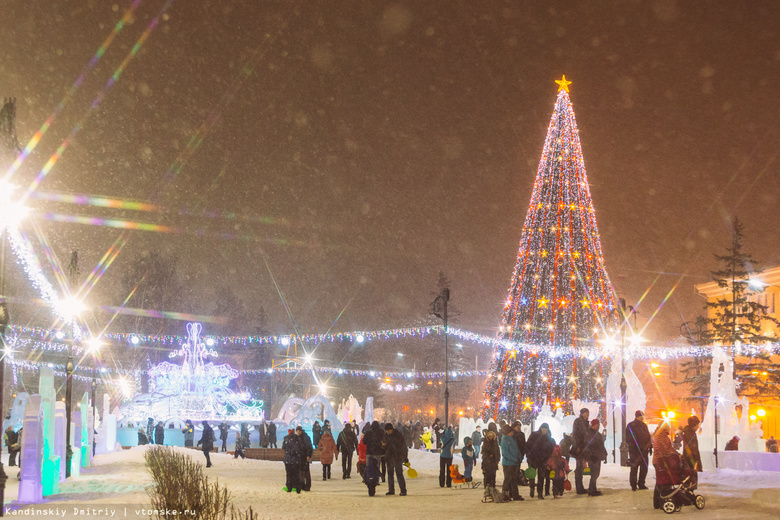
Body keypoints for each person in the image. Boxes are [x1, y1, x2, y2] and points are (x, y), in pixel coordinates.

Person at [652, 422, 679, 509]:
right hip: (661, 462)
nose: (670, 429)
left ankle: (657, 502)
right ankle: (661, 501)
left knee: (660, 482)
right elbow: (667, 449)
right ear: (665, 428)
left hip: (658, 461)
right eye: (669, 428)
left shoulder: (659, 435)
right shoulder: (662, 436)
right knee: (663, 482)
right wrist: (677, 454)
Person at [526, 422, 555, 499]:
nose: (544, 431)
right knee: (532, 475)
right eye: (543, 429)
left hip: (542, 460)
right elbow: (528, 446)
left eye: (546, 429)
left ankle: (540, 492)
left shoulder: (548, 438)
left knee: (541, 477)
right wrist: (529, 456)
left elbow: (550, 449)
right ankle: (532, 488)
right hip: (534, 458)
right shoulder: (534, 435)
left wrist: (547, 457)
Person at [625, 410, 652, 491]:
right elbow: (647, 438)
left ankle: (635, 484)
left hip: (637, 450)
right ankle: (640, 483)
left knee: (636, 467)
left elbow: (629, 439)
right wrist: (648, 447)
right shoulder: (641, 426)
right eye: (642, 416)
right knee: (641, 467)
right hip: (640, 450)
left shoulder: (632, 425)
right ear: (639, 416)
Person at [582, 418, 607, 496]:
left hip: (596, 455)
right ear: (594, 425)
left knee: (595, 473)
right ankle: (592, 490)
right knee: (594, 473)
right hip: (593, 456)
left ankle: (592, 488)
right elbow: (592, 445)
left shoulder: (595, 433)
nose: (598, 426)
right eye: (597, 425)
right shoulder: (590, 434)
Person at [382, 423, 408, 496]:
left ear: (392, 429)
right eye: (387, 431)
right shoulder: (385, 436)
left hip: (398, 456)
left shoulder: (398, 435)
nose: (388, 432)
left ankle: (403, 490)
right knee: (390, 474)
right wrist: (384, 446)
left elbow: (403, 447)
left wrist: (405, 457)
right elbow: (385, 446)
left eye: (389, 431)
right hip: (389, 457)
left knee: (399, 473)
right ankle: (391, 490)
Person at [500, 424, 523, 501]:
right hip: (508, 463)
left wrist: (519, 457)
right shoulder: (505, 440)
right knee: (508, 479)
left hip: (514, 463)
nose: (512, 433)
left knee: (514, 480)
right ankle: (505, 495)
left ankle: (515, 495)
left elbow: (516, 449)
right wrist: (514, 459)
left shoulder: (511, 438)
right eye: (511, 432)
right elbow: (506, 453)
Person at [571, 407, 590, 495]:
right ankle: (579, 487)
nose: (587, 414)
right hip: (580, 447)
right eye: (586, 413)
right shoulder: (578, 421)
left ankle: (580, 487)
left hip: (584, 447)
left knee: (581, 468)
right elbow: (576, 434)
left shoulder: (585, 422)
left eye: (588, 413)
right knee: (579, 468)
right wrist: (578, 445)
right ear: (582, 413)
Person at [282, 428, 304, 493]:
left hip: (288, 459)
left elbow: (283, 447)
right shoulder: (298, 439)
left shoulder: (286, 439)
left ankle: (289, 487)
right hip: (296, 459)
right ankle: (298, 488)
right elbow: (301, 448)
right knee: (296, 474)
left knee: (289, 474)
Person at [296, 426, 313, 491]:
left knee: (306, 472)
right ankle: (302, 485)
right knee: (300, 472)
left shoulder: (305, 437)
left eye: (299, 431)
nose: (298, 432)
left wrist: (308, 455)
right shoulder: (297, 437)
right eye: (297, 431)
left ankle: (307, 486)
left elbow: (309, 447)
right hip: (299, 457)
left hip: (305, 457)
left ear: (301, 431)